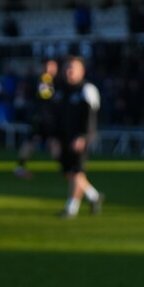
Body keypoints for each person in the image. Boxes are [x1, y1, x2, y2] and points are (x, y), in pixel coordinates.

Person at [54, 55, 104, 218]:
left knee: (77, 172)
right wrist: (53, 137)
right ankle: (94, 196)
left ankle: (71, 209)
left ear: (81, 71)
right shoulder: (61, 89)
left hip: (81, 138)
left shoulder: (87, 89)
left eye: (72, 68)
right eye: (67, 68)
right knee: (68, 172)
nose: (69, 72)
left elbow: (91, 116)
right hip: (64, 137)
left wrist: (84, 136)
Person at [14, 59, 60, 179]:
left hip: (45, 117)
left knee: (52, 141)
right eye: (49, 66)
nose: (52, 69)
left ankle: (65, 168)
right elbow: (46, 97)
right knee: (34, 141)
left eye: (53, 67)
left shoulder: (47, 80)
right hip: (41, 118)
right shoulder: (44, 79)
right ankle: (20, 167)